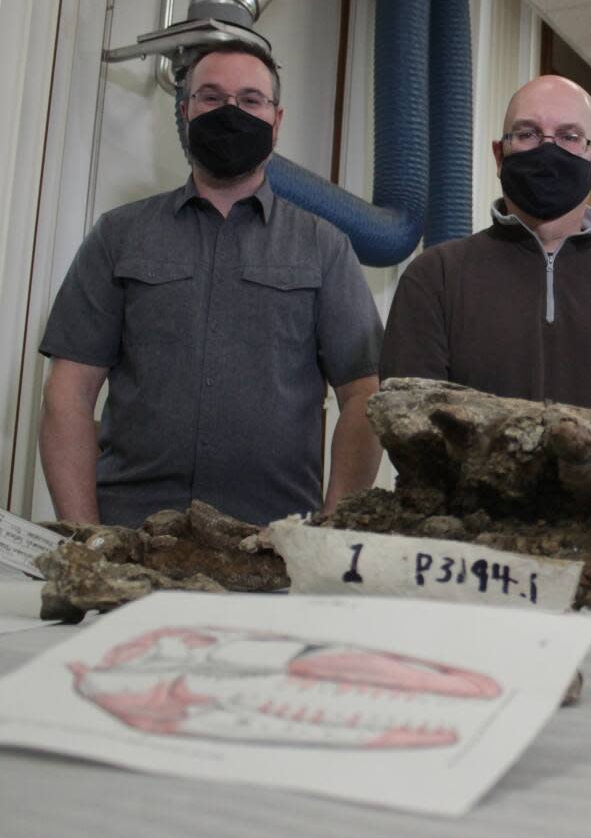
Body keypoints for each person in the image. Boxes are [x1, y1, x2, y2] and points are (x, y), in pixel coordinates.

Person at [38, 40, 384, 527]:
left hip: (271, 546)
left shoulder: (324, 247)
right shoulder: (119, 236)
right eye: (211, 97)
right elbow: (67, 394)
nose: (231, 112)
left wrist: (332, 532)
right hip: (131, 537)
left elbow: (364, 396)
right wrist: (85, 536)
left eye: (250, 100)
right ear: (185, 113)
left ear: (276, 121)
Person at [380, 75, 591, 422]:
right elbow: (411, 427)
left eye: (569, 137)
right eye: (528, 134)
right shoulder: (434, 279)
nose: (548, 151)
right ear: (500, 154)